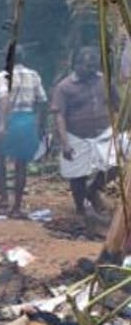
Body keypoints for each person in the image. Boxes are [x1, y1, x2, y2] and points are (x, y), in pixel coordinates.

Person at [53, 47, 118, 226]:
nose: (91, 70)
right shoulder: (64, 87)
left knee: (115, 165)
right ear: (77, 65)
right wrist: (65, 143)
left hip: (104, 133)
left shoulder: (104, 80)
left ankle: (93, 190)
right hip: (76, 136)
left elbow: (116, 103)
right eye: (87, 66)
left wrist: (119, 125)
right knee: (77, 175)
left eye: (93, 66)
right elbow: (59, 116)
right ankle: (81, 208)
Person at [0, 49, 47, 218]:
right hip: (28, 120)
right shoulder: (34, 75)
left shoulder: (2, 75)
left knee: (0, 157)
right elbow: (43, 101)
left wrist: (1, 124)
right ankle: (17, 206)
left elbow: (3, 99)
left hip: (10, 120)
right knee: (21, 164)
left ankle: (3, 197)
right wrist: (41, 126)